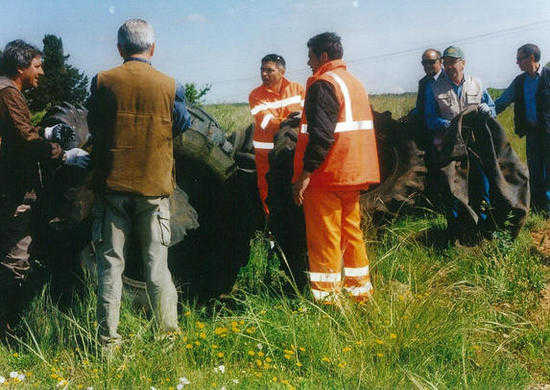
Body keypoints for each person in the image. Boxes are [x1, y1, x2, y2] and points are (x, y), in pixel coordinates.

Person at [88, 19, 191, 345]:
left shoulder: (103, 81)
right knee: (157, 269)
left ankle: (108, 343)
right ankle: (168, 340)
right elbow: (181, 124)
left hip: (112, 187)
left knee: (110, 268)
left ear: (120, 48)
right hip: (154, 188)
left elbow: (95, 124)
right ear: (153, 48)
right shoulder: (170, 84)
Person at [0, 40, 88, 329]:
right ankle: (7, 328)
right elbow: (24, 141)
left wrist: (47, 131)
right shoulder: (8, 93)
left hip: (9, 187)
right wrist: (64, 155)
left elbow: (21, 131)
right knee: (16, 255)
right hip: (13, 190)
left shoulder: (7, 91)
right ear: (20, 67)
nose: (41, 72)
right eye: (37, 66)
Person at [292, 32, 379, 303]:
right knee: (351, 233)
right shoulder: (354, 83)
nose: (308, 62)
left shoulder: (323, 84)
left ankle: (328, 301)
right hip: (353, 174)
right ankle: (359, 292)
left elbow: (321, 136)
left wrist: (305, 175)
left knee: (325, 237)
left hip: (327, 175)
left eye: (311, 56)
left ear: (324, 56)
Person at [424, 45, 496, 239]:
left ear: (462, 63)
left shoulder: (476, 84)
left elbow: (492, 107)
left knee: (481, 184)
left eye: (453, 62)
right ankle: (456, 230)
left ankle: (483, 228)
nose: (449, 67)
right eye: (446, 63)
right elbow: (430, 119)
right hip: (450, 146)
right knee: (453, 186)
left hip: (475, 144)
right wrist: (448, 124)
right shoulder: (435, 88)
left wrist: (487, 110)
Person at [495, 44, 550, 214]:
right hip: (532, 133)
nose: (517, 62)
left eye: (520, 58)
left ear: (531, 58)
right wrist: (486, 112)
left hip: (548, 131)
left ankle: (547, 206)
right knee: (534, 169)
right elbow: (503, 101)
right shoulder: (520, 81)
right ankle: (537, 204)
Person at [249, 54, 305, 214]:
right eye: (262, 70)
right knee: (267, 188)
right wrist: (287, 121)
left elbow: (306, 115)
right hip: (266, 154)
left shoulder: (297, 89)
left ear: (282, 71)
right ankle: (271, 225)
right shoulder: (255, 95)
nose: (264, 74)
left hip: (294, 151)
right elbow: (265, 122)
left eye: (269, 70)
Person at [412, 49, 443, 124]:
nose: (428, 66)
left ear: (441, 61)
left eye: (431, 62)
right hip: (428, 129)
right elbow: (420, 108)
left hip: (448, 129)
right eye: (424, 63)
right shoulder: (423, 82)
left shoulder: (449, 79)